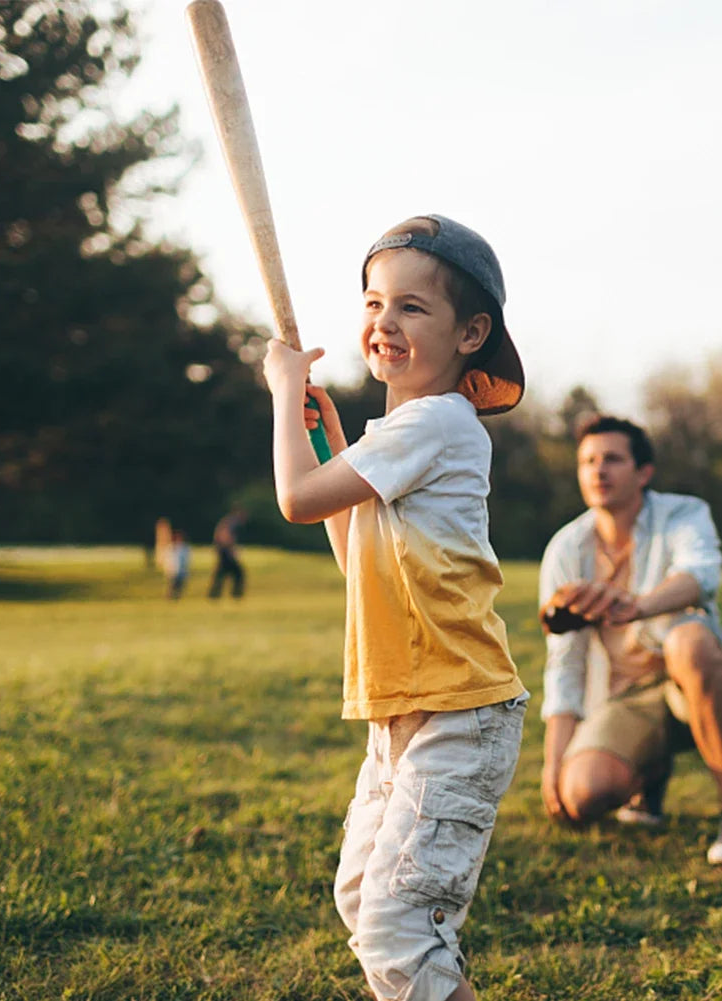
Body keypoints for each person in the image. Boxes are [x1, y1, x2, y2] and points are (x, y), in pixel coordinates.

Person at [263, 214, 528, 1001]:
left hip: (457, 712)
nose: (384, 321)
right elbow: (353, 554)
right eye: (375, 302)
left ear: (471, 331)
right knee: (363, 901)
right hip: (406, 712)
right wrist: (331, 437)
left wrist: (284, 394)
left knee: (396, 927)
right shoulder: (405, 434)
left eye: (413, 307)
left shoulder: (435, 422)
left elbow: (295, 500)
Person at [538, 415, 722, 861]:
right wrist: (553, 763)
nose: (599, 471)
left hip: (696, 682)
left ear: (643, 472)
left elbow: (701, 576)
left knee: (689, 642)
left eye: (613, 459)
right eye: (588, 461)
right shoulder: (567, 548)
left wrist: (635, 606)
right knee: (581, 795)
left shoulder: (682, 513)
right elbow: (565, 663)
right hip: (627, 697)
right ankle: (647, 783)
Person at [208, 506, 246, 599]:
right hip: (225, 552)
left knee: (221, 573)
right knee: (238, 573)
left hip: (222, 551)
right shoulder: (233, 522)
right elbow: (226, 535)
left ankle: (214, 594)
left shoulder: (228, 521)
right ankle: (235, 594)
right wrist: (231, 550)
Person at [166, 528, 191, 600]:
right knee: (172, 585)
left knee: (180, 586)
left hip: (182, 571)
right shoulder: (171, 547)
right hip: (173, 570)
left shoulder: (185, 547)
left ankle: (177, 598)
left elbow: (187, 559)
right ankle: (170, 598)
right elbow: (168, 560)